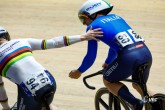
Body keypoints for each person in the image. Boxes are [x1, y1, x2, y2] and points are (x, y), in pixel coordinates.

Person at [69, 0, 152, 110]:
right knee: (139, 85)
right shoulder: (117, 17)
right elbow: (114, 47)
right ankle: (157, 102)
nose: (84, 23)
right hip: (145, 52)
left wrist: (79, 72)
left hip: (129, 57)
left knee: (108, 80)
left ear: (93, 13)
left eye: (83, 18)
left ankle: (136, 103)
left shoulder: (92, 27)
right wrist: (108, 62)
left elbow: (91, 56)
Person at [0, 26, 103, 110]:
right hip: (50, 81)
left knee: (36, 100)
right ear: (6, 36)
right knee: (46, 102)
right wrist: (83, 36)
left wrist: (5, 107)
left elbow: (1, 89)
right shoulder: (21, 41)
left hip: (30, 91)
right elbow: (54, 42)